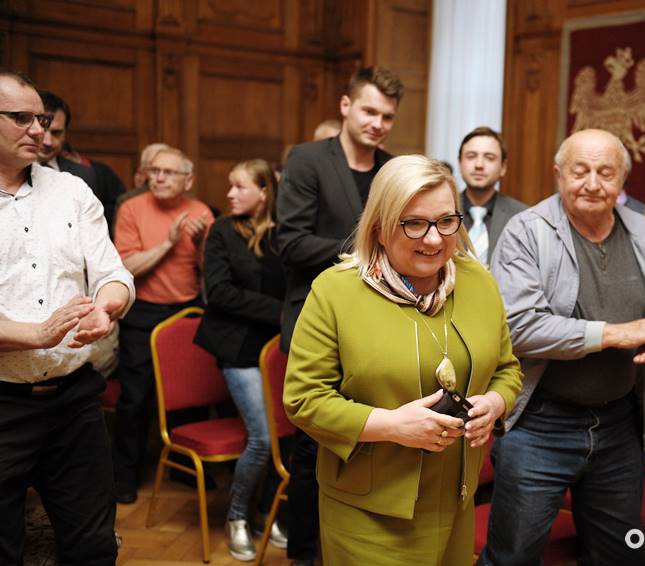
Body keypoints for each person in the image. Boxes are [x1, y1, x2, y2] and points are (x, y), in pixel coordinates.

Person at [283, 154, 522, 565]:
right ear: (380, 226)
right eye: (414, 223)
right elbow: (304, 399)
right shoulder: (335, 291)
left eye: (446, 221)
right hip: (370, 511)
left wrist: (495, 403)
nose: (434, 239)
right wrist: (392, 425)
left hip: (455, 500)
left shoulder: (478, 281)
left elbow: (507, 368)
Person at [480, 129, 645, 566]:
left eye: (605, 173)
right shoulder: (526, 233)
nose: (592, 184)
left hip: (619, 426)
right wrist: (614, 334)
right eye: (580, 171)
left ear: (622, 181)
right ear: (558, 174)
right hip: (538, 425)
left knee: (616, 558)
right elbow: (518, 328)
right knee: (512, 558)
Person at [0, 69, 135, 565]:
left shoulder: (72, 191)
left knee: (93, 546)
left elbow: (113, 273)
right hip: (3, 403)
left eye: (41, 118)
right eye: (21, 118)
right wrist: (36, 334)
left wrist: (105, 306)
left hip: (74, 399)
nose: (39, 129)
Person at [276, 65, 403, 565]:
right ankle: (304, 553)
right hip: (318, 320)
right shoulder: (308, 159)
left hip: (382, 326)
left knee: (372, 438)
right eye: (370, 111)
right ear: (346, 106)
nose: (378, 123)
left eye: (387, 116)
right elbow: (290, 242)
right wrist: (364, 251)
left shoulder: (391, 168)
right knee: (314, 447)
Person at [193, 159, 286, 560]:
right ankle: (237, 517)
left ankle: (267, 511)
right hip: (238, 347)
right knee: (262, 439)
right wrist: (282, 312)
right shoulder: (221, 231)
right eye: (230, 186)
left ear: (264, 192)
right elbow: (220, 293)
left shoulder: (284, 232)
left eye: (240, 187)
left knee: (287, 436)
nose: (229, 194)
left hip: (279, 349)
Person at [112, 146, 213, 503]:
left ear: (188, 180)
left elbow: (210, 272)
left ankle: (184, 470)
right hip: (143, 312)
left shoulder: (200, 212)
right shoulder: (131, 209)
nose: (158, 177)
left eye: (168, 172)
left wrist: (199, 244)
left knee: (190, 395)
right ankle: (125, 477)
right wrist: (169, 244)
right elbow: (126, 267)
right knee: (135, 398)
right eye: (155, 171)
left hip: (187, 310)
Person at [457, 126, 526, 265]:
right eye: (471, 156)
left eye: (489, 158)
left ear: (503, 167)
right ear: (460, 163)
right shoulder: (440, 211)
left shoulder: (523, 217)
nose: (479, 165)